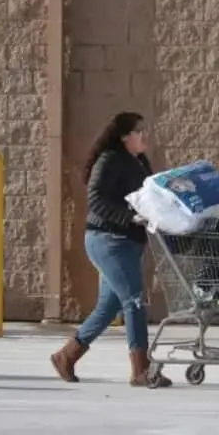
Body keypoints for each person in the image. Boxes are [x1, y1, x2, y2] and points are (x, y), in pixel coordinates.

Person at [49, 111, 172, 387]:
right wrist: (130, 217)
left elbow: (149, 196)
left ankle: (66, 355)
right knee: (135, 301)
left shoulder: (139, 162)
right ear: (125, 137)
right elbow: (96, 200)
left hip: (129, 243)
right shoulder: (109, 160)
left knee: (108, 307)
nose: (145, 136)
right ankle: (141, 370)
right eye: (140, 132)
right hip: (107, 241)